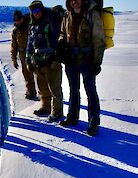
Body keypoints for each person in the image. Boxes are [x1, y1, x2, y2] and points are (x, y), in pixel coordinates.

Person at [58, 0, 105, 136]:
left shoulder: (92, 14)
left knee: (90, 91)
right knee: (73, 90)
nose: (75, 2)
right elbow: (62, 32)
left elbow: (99, 40)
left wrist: (97, 62)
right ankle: (72, 118)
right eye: (72, 0)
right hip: (71, 59)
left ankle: (94, 122)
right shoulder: (67, 15)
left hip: (87, 60)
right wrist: (61, 44)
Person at [26, 0, 64, 122]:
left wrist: (56, 58)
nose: (36, 13)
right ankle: (45, 107)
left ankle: (57, 112)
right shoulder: (33, 25)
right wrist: (28, 59)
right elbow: (30, 43)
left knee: (55, 89)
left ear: (42, 10)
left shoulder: (51, 21)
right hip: (38, 62)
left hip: (51, 62)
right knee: (42, 88)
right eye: (33, 11)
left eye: (38, 10)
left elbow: (59, 41)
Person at [11, 10, 37, 100]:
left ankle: (46, 95)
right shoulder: (15, 31)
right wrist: (14, 59)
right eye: (16, 20)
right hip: (23, 55)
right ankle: (31, 91)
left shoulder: (30, 27)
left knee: (39, 75)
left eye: (19, 19)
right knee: (27, 74)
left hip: (34, 54)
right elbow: (14, 46)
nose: (18, 21)